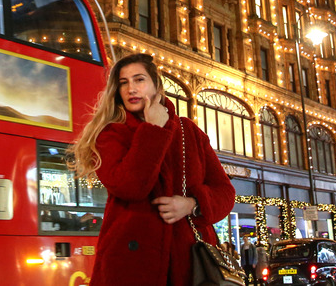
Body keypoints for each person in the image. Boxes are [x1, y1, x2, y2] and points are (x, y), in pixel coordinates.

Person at [69, 53, 235, 285]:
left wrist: (192, 204)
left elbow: (225, 192)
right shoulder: (110, 134)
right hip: (131, 264)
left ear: (156, 86)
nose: (131, 89)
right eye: (123, 83)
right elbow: (130, 187)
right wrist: (153, 129)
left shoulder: (189, 131)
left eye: (139, 80)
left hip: (189, 263)